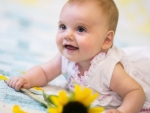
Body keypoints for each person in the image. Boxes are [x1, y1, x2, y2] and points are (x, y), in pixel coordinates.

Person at [7, 0, 150, 113]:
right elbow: (44, 72)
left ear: (106, 40)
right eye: (63, 27)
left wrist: (122, 111)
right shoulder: (65, 58)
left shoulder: (109, 69)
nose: (67, 35)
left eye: (80, 29)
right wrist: (27, 78)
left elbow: (136, 92)